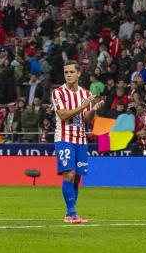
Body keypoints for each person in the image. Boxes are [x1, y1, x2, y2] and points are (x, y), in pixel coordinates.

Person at [52, 61, 103, 224]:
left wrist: (93, 110)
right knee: (69, 173)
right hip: (64, 138)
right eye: (66, 72)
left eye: (71, 72)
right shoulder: (58, 92)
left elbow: (86, 118)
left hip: (81, 139)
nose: (68, 75)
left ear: (79, 73)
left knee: (77, 177)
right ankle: (72, 213)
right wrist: (83, 106)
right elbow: (63, 115)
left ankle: (69, 213)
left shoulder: (85, 93)